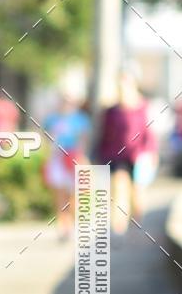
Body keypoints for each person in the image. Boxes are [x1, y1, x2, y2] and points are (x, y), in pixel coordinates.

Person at [97, 70, 159, 235]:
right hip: (117, 156)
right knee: (119, 188)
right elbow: (105, 135)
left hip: (139, 156)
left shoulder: (144, 107)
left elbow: (150, 133)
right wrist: (101, 155)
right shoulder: (111, 111)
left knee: (137, 194)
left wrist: (152, 153)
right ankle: (118, 227)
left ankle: (136, 220)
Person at [42, 94, 90, 240]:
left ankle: (73, 223)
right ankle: (63, 226)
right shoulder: (52, 119)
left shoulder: (81, 120)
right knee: (60, 194)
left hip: (74, 159)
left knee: (75, 195)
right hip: (58, 159)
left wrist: (79, 157)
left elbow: (84, 140)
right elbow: (45, 135)